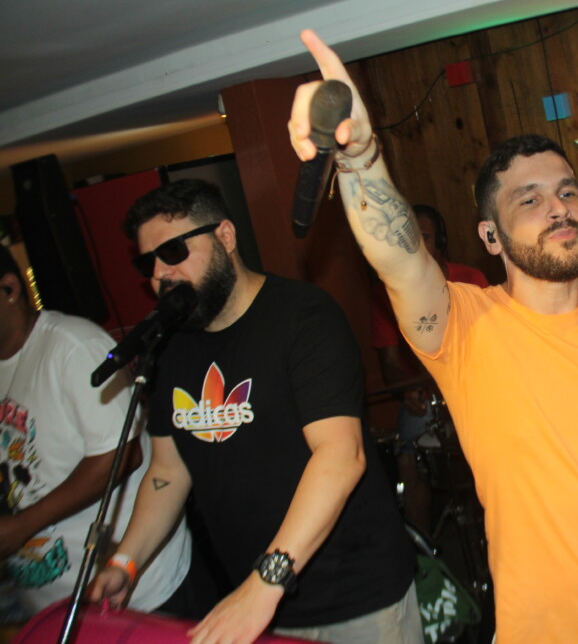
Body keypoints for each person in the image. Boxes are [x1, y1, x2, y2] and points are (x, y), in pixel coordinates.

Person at [289, 32, 578, 644]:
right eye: (530, 200)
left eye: (567, 191)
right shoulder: (464, 326)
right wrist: (361, 157)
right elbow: (398, 257)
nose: (559, 208)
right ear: (490, 237)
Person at [89, 179, 420, 644]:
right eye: (148, 263)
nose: (160, 274)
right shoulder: (172, 349)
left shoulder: (303, 317)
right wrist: (125, 562)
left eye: (174, 252)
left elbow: (340, 455)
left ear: (225, 236)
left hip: (353, 592)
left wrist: (266, 581)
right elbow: (167, 471)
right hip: (256, 599)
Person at [0, 244, 190, 616]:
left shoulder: (72, 346)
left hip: (132, 587)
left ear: (9, 289)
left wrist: (21, 526)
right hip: (49, 599)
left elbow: (123, 455)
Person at [370, 203, 488, 536]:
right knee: (407, 454)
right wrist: (408, 389)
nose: (416, 246)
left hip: (479, 391)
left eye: (424, 237)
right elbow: (390, 365)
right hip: (428, 399)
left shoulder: (471, 280)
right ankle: (426, 550)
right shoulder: (385, 295)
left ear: (440, 242)